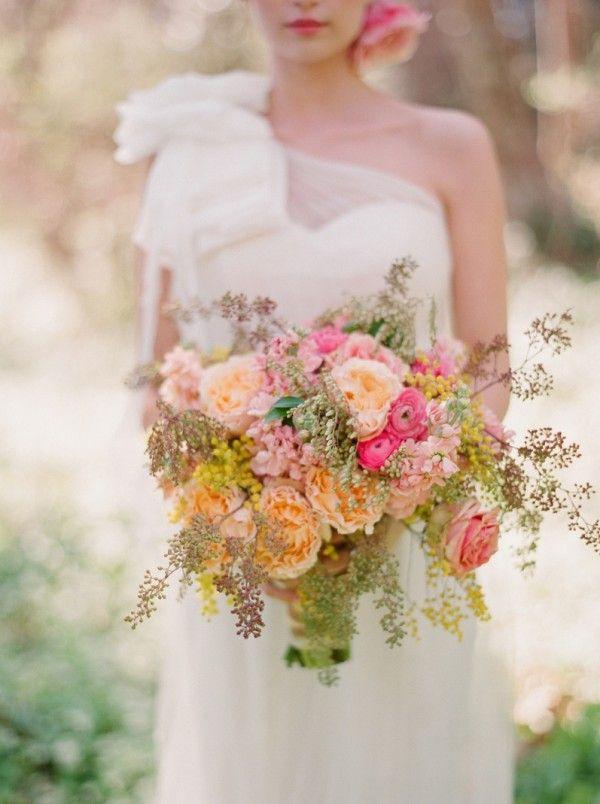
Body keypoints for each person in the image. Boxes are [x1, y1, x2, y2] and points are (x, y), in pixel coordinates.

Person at [114, 1, 514, 801]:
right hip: (242, 561)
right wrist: (242, 506)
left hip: (403, 549)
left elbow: (489, 367)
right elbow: (152, 374)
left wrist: (397, 493)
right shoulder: (192, 148)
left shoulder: (451, 146)